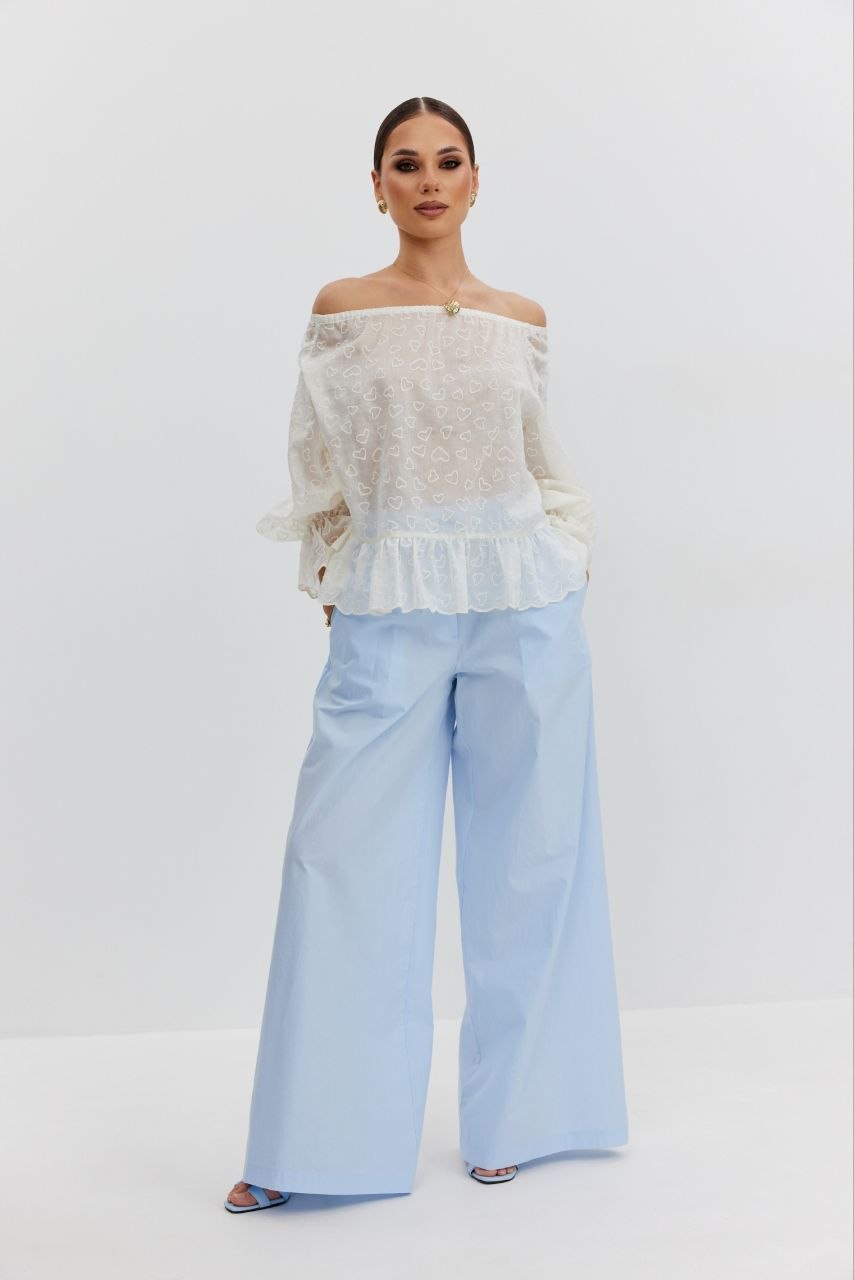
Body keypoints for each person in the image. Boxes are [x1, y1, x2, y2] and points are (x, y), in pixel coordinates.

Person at [225, 95, 628, 1212]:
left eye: (448, 161)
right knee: (341, 861)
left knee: (535, 861)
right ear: (377, 187)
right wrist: (336, 572)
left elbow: (544, 457)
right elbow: (317, 458)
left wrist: (567, 555)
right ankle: (311, 1149)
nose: (428, 180)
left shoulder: (519, 318)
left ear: (476, 179)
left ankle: (526, 1121)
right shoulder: (343, 309)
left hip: (526, 607)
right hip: (390, 603)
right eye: (405, 165)